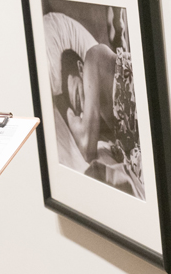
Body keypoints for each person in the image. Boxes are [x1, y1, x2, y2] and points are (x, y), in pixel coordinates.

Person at [59, 40, 144, 199]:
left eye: (79, 94)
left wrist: (70, 115)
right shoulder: (104, 129)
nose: (84, 110)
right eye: (79, 110)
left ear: (80, 67)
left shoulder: (94, 57)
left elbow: (87, 148)